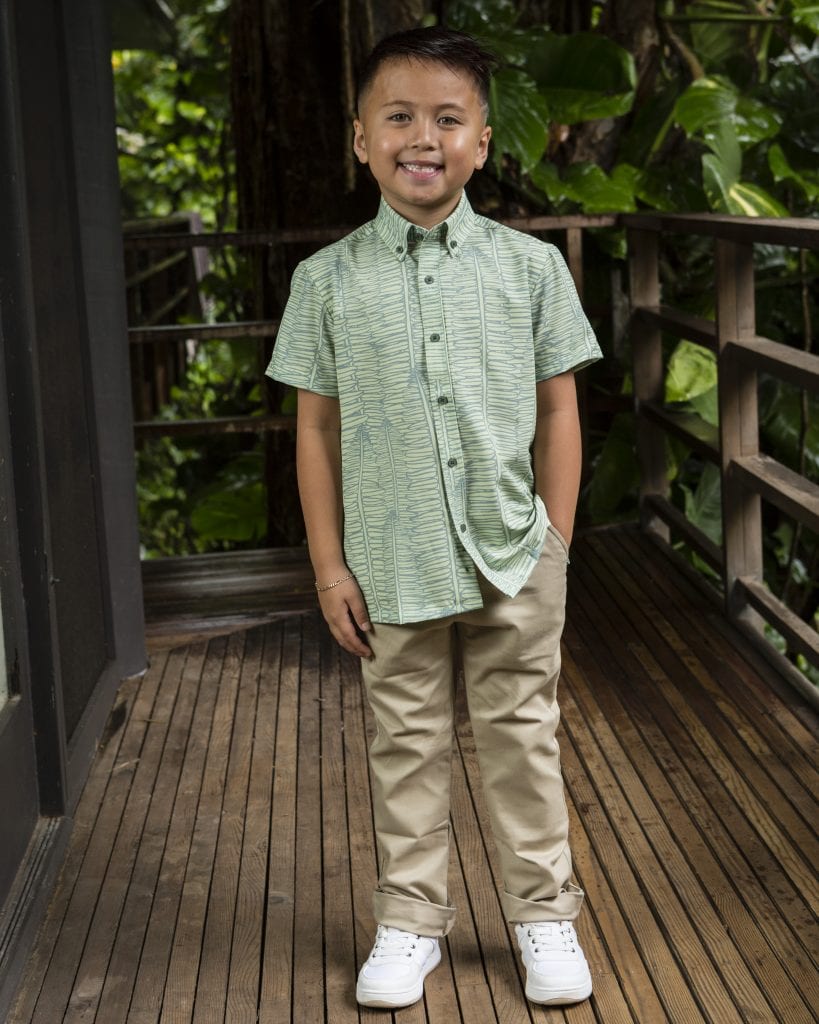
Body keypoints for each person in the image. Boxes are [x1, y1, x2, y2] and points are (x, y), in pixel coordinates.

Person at [266, 25, 602, 1010]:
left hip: (514, 553)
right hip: (391, 561)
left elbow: (557, 410)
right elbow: (316, 433)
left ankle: (544, 915)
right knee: (403, 743)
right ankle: (409, 922)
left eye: (448, 118)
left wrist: (559, 542)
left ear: (483, 141)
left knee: (521, 739)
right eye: (400, 116)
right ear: (361, 139)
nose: (425, 136)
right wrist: (330, 566)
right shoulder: (325, 283)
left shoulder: (530, 269)